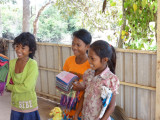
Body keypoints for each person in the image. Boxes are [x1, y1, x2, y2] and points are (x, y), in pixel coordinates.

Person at [74, 40, 120, 120]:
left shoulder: (111, 79)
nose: (89, 61)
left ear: (105, 60)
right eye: (88, 57)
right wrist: (77, 113)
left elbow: (112, 106)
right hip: (85, 117)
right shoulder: (88, 73)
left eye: (92, 59)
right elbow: (85, 95)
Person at [6, 32, 40, 120]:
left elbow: (27, 87)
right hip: (15, 105)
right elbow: (5, 81)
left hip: (29, 107)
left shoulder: (32, 64)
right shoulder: (12, 63)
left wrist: (10, 87)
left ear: (31, 50)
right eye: (17, 46)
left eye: (23, 48)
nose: (18, 50)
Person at [62, 29, 92, 119]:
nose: (74, 47)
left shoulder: (91, 65)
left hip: (83, 107)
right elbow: (64, 78)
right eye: (73, 44)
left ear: (87, 46)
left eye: (78, 45)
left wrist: (82, 87)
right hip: (68, 104)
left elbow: (94, 86)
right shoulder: (69, 60)